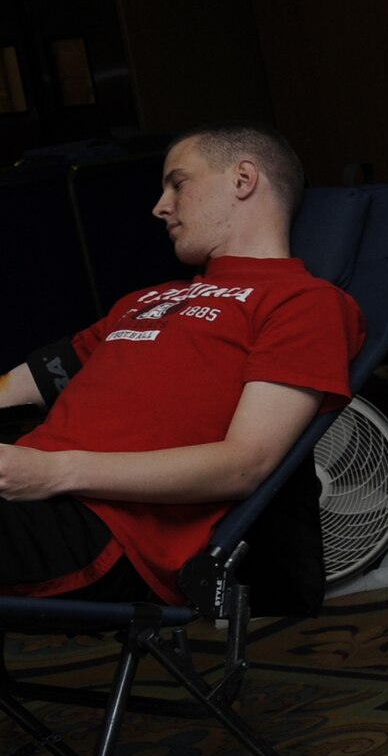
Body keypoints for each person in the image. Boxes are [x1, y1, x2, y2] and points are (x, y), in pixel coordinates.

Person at [0, 123, 363, 604]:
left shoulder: (304, 302)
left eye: (178, 183)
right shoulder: (147, 300)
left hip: (104, 529)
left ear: (243, 179)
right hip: (30, 496)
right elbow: (16, 386)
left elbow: (244, 464)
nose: (160, 206)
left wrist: (55, 472)